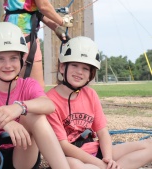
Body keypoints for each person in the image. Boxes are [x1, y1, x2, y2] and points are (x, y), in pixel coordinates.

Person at [0, 22, 70, 169]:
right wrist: (4, 121)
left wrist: (20, 107)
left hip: (21, 156)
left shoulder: (28, 84)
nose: (8, 65)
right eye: (1, 59)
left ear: (21, 59)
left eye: (13, 58)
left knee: (34, 114)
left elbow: (48, 105)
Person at [46, 36, 152, 169]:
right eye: (74, 65)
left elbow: (102, 132)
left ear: (91, 73)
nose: (79, 71)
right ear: (62, 67)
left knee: (149, 146)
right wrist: (99, 164)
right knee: (75, 166)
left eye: (85, 68)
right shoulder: (50, 100)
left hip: (95, 150)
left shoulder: (90, 94)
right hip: (70, 156)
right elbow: (63, 145)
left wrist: (107, 158)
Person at [3, 0, 74, 88]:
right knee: (37, 90)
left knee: (13, 88)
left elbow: (31, 10)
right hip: (25, 38)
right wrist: (63, 21)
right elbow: (43, 6)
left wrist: (56, 28)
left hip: (7, 36)